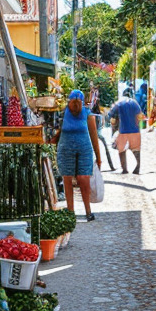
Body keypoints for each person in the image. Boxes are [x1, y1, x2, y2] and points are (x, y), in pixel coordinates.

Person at [53, 90, 102, 221]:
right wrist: (99, 156)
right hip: (70, 149)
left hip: (80, 150)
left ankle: (80, 211)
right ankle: (79, 211)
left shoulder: (84, 114)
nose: (75, 105)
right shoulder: (66, 114)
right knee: (74, 178)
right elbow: (94, 136)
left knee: (78, 179)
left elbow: (93, 136)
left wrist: (98, 156)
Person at [108, 87, 145, 174]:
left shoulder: (118, 103)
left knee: (121, 150)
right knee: (136, 150)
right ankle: (138, 166)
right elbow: (140, 116)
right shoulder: (135, 103)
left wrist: (114, 125)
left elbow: (111, 115)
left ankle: (124, 169)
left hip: (123, 131)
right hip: (135, 131)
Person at [91, 94, 117, 171]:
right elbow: (102, 124)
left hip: (92, 134)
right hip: (98, 133)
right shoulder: (100, 114)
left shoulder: (90, 114)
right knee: (106, 149)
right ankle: (111, 166)